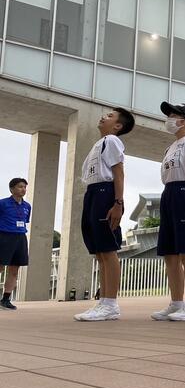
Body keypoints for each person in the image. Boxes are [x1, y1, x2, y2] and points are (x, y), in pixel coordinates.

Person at [74, 107, 135, 321]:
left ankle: (111, 303)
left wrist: (118, 202)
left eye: (110, 116)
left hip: (104, 193)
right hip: (93, 192)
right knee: (100, 252)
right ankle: (104, 301)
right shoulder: (99, 143)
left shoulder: (112, 141)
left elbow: (119, 173)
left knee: (108, 250)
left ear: (118, 126)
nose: (104, 116)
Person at [151, 102, 185, 322]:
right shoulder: (170, 147)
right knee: (170, 253)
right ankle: (176, 302)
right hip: (169, 193)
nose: (169, 119)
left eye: (174, 115)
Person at [0, 178, 31, 310]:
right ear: (12, 189)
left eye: (24, 187)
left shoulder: (27, 206)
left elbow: (25, 221)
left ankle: (5, 299)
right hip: (4, 237)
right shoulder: (2, 203)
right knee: (0, 267)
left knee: (14, 269)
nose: (23, 189)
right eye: (20, 187)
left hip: (20, 237)